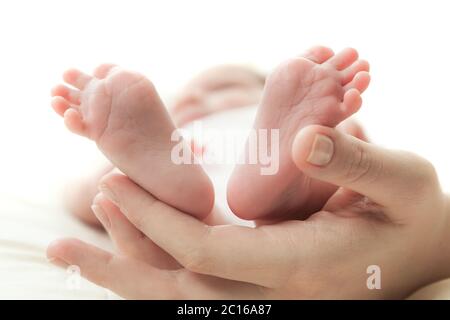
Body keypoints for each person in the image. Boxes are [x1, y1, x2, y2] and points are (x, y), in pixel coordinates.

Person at [47, 46, 450, 299]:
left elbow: (357, 151)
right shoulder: (180, 136)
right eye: (183, 100)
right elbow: (92, 198)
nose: (194, 99)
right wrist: (113, 166)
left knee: (315, 159)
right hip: (197, 203)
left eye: (221, 88)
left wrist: (335, 131)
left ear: (266, 98)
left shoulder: (251, 125)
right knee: (143, 210)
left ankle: (281, 182)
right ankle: (179, 188)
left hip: (307, 208)